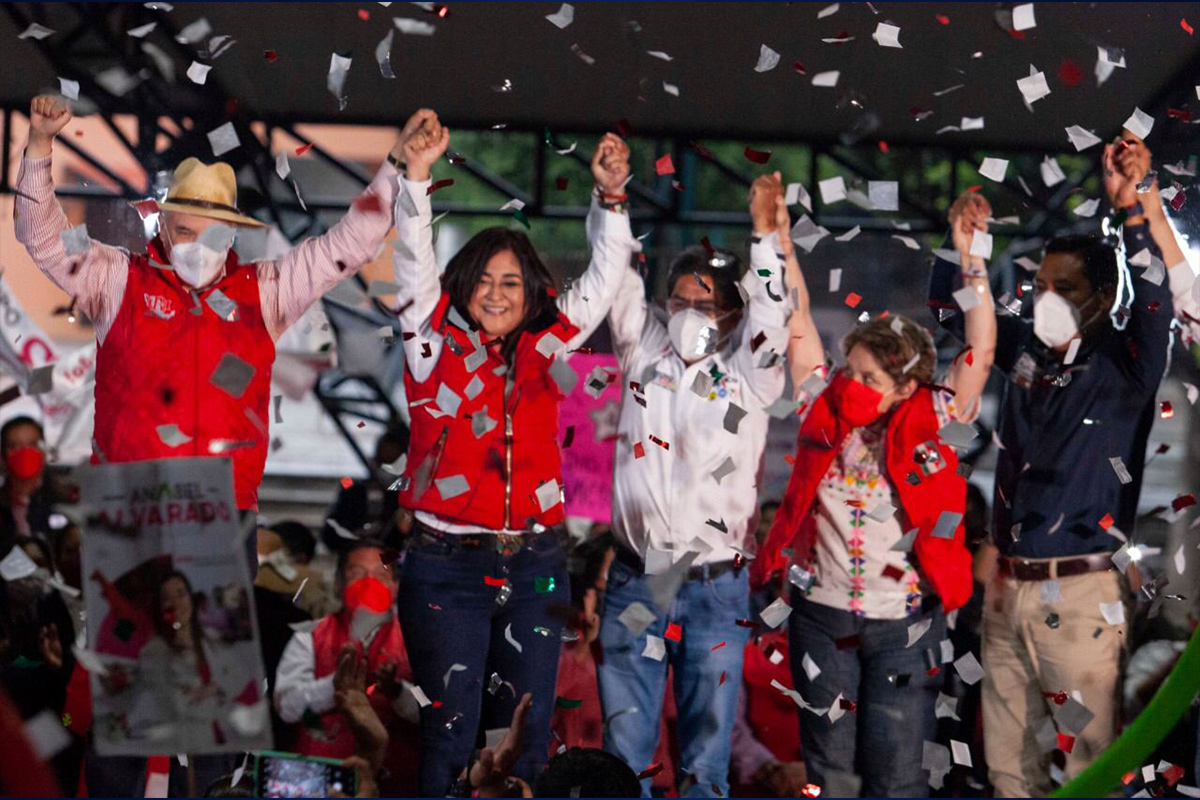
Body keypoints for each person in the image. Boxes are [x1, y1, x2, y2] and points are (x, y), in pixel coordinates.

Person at [12, 95, 425, 514]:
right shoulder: (117, 278)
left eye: (213, 233)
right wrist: (40, 146)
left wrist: (396, 166)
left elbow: (349, 244)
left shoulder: (266, 290)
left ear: (232, 234)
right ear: (164, 228)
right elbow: (43, 238)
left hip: (224, 513)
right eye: (186, 230)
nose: (197, 246)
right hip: (128, 509)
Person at [390, 116, 636, 796]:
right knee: (451, 733)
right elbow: (411, 263)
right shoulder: (429, 342)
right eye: (484, 281)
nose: (496, 294)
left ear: (531, 293)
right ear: (463, 283)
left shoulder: (549, 346)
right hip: (447, 568)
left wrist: (611, 201)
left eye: (512, 283)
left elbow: (605, 279)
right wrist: (415, 180)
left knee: (521, 735)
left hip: (537, 564)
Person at [929, 131, 1176, 797]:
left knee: (1089, 767)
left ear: (1102, 296)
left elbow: (1157, 296)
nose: (1045, 299)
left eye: (1063, 288)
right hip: (1008, 587)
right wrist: (966, 249)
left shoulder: (1128, 361)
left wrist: (1133, 207)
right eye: (1039, 285)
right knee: (1008, 768)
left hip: (1084, 589)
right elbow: (953, 311)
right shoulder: (1027, 352)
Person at [755, 185, 992, 796]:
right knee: (829, 772)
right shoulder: (823, 407)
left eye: (870, 377)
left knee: (897, 774)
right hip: (823, 618)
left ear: (904, 383)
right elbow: (797, 318)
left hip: (905, 625)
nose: (853, 385)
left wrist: (973, 257)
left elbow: (981, 349)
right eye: (850, 372)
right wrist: (780, 237)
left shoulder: (935, 417)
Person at [596, 172, 791, 797]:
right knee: (626, 756)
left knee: (707, 760)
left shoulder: (751, 376)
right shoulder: (641, 355)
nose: (690, 316)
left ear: (732, 314)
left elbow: (773, 311)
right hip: (639, 576)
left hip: (715, 587)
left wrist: (765, 237)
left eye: (707, 306)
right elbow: (617, 278)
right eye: (680, 302)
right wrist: (612, 199)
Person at [274, 539, 417, 795]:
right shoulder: (310, 635)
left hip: (395, 781)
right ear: (340, 584)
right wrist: (334, 686)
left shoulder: (415, 639)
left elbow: (436, 715)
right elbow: (286, 706)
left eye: (380, 575)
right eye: (357, 573)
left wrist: (397, 691)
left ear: (395, 586)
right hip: (318, 779)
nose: (369, 583)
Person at [0, 416, 55, 553]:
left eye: (32, 445)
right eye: (14, 446)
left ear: (43, 451)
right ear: (2, 455)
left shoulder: (62, 499)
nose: (25, 453)